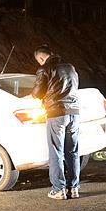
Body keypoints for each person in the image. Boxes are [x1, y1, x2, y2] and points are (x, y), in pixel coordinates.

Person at [32, 45, 81, 200]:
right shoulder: (70, 67)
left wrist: (33, 95)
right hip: (74, 113)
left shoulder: (45, 69)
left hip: (57, 113)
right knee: (72, 152)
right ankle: (73, 188)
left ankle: (58, 189)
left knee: (56, 152)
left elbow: (38, 93)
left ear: (41, 58)